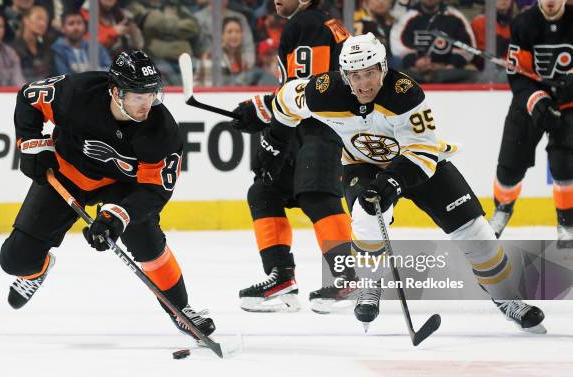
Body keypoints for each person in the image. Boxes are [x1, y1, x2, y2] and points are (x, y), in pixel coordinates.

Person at [265, 32, 546, 333]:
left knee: (475, 230)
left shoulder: (405, 93)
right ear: (345, 75)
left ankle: (507, 300)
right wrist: (262, 122)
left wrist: (393, 182)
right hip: (362, 164)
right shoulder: (323, 92)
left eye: (370, 72)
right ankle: (369, 287)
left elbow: (422, 152)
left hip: (416, 164)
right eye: (355, 75)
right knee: (365, 214)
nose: (364, 83)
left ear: (383, 68)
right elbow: (285, 99)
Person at [0, 50, 215, 340]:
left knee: (146, 241)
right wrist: (32, 144)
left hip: (124, 187)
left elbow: (155, 188)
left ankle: (181, 309)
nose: (147, 105)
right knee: (14, 260)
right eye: (138, 96)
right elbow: (29, 97)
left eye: (152, 95)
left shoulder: (161, 129)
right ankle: (37, 270)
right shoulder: (77, 92)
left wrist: (118, 216)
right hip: (67, 172)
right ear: (115, 92)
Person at [231, 0, 353, 314]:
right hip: (302, 125)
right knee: (265, 191)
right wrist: (269, 115)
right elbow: (302, 91)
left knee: (316, 195)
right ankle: (281, 277)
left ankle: (349, 277)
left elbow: (310, 89)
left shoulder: (308, 24)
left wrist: (262, 108)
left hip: (323, 125)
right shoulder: (321, 22)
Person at [488, 0, 572, 247]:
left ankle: (567, 225)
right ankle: (502, 210)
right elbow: (517, 74)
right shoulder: (524, 23)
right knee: (510, 166)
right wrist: (537, 100)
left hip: (568, 106)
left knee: (565, 165)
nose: (550, 2)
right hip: (530, 103)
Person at [390, 0, 478, 83]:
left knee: (475, 76)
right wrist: (414, 61)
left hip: (447, 71)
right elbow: (398, 44)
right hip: (414, 71)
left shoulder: (456, 17)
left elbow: (467, 47)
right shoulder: (407, 17)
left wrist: (452, 65)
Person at [52, 10, 111, 75]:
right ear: (62, 28)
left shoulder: (97, 47)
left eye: (79, 23)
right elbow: (63, 77)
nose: (76, 27)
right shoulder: (58, 49)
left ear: (85, 27)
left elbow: (109, 69)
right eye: (71, 23)